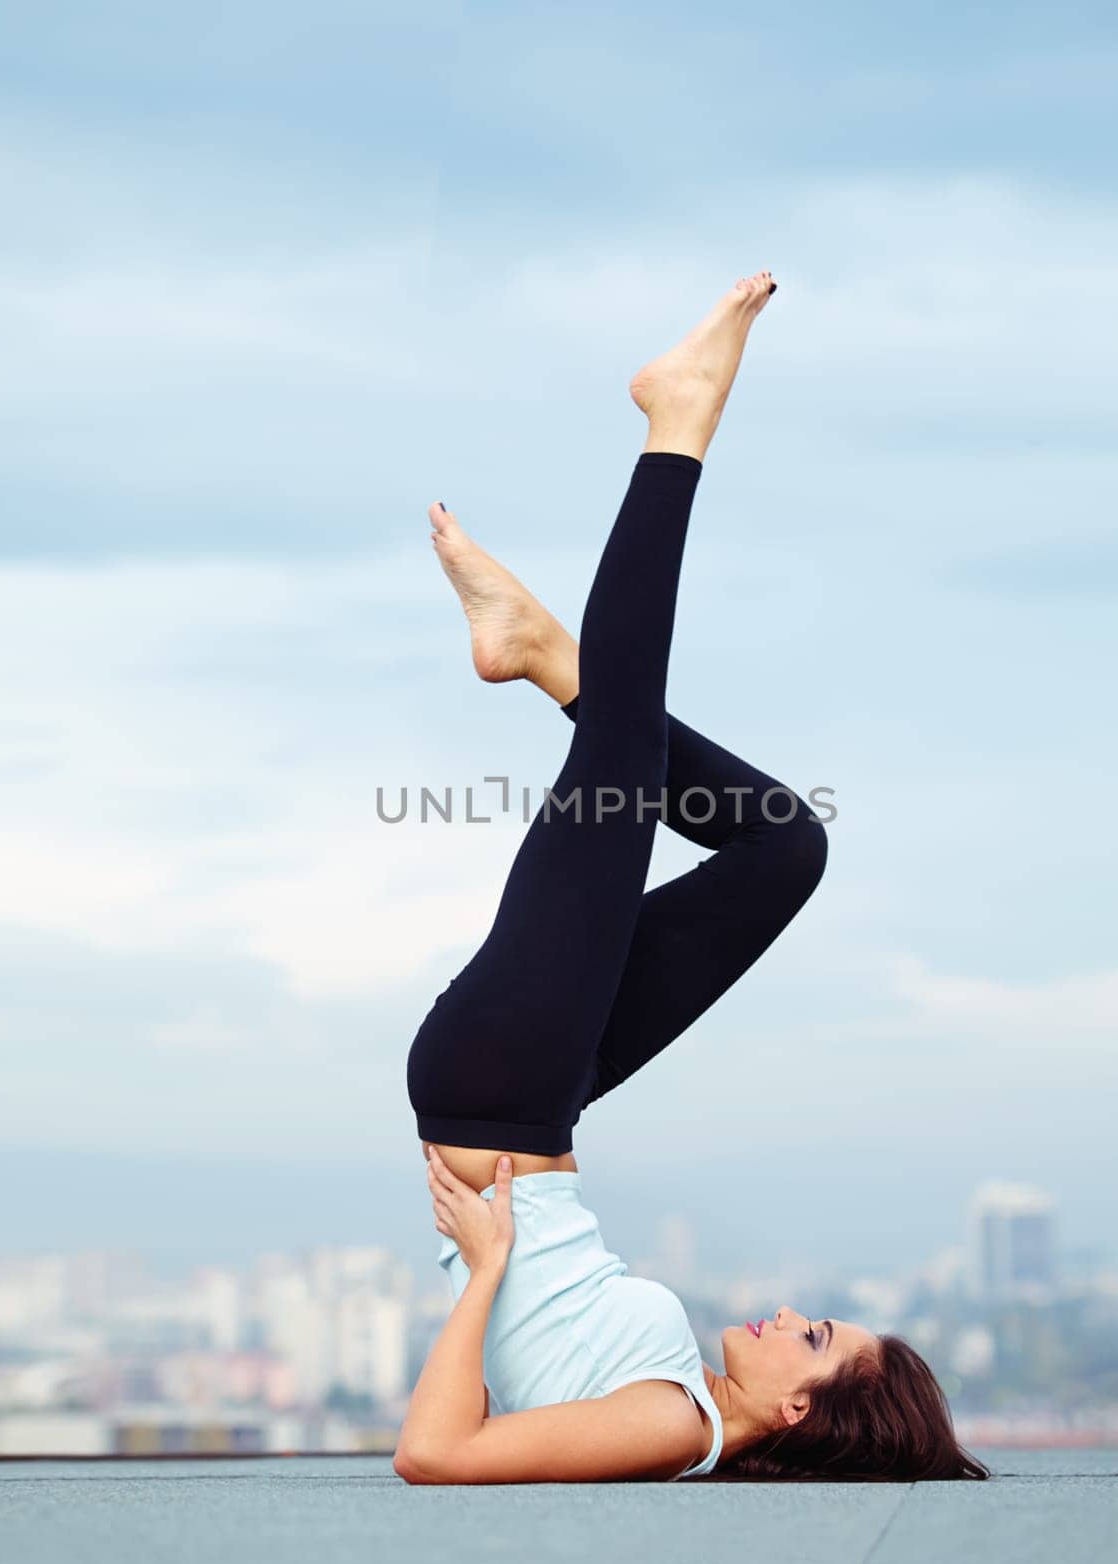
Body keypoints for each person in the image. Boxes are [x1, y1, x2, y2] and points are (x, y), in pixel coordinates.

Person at [396, 273, 989, 1486]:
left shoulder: (680, 1425)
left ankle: (678, 423)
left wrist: (492, 1268)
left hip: (496, 1092)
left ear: (800, 1415)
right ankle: (555, 659)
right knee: (784, 847)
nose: (789, 1315)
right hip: (532, 1098)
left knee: (618, 756)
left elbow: (437, 1454)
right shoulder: (691, 1399)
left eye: (811, 1340)